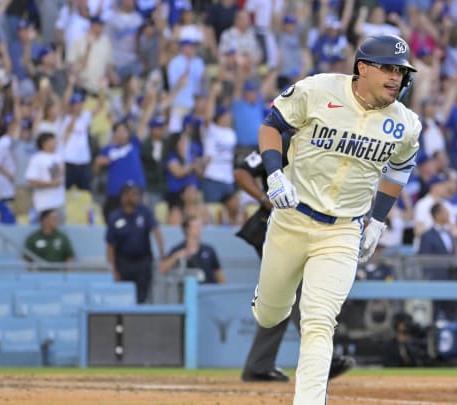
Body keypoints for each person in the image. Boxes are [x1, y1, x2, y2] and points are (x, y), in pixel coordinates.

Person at [251, 34, 421, 404]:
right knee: (270, 314)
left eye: (402, 71)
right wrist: (274, 173)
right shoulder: (317, 89)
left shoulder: (405, 124)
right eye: (389, 69)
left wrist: (377, 220)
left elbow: (399, 170)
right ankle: (266, 297)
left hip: (343, 230)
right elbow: (270, 125)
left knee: (319, 321)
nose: (397, 78)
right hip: (291, 218)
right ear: (363, 67)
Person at [235, 141, 356, 382]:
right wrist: (264, 199)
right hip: (278, 230)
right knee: (300, 293)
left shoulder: (323, 141)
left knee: (283, 295)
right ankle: (321, 359)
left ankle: (259, 365)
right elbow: (241, 172)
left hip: (308, 229)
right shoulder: (283, 139)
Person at [105, 182, 165, 304]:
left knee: (142, 296)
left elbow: (156, 232)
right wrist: (113, 269)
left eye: (134, 194)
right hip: (123, 261)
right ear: (122, 196)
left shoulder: (145, 212)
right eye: (128, 194)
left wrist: (162, 253)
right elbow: (110, 245)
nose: (131, 197)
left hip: (143, 261)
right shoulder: (115, 217)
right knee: (123, 296)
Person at [159, 216, 225, 284]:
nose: (199, 229)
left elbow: (218, 273)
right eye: (196, 227)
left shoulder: (209, 250)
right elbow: (162, 269)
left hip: (208, 290)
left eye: (200, 226)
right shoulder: (177, 249)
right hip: (188, 291)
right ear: (187, 229)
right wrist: (175, 257)